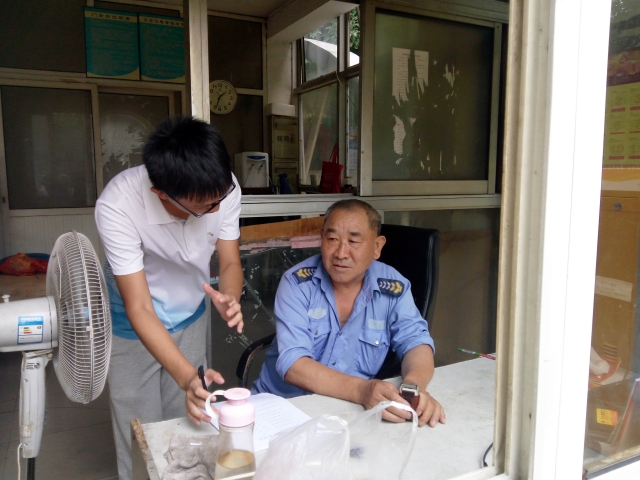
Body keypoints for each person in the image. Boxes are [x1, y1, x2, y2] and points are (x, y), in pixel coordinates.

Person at [95, 116, 244, 479]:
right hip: (132, 324)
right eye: (204, 207)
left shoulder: (222, 188)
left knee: (188, 420)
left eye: (219, 201)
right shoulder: (118, 205)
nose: (215, 209)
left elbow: (229, 261)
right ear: (161, 192)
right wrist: (187, 377)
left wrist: (229, 295)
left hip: (191, 312)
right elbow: (140, 307)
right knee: (140, 431)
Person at [253, 199, 446, 427]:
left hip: (347, 412)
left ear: (377, 247)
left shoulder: (393, 287)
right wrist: (362, 390)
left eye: (353, 241)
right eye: (332, 239)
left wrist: (412, 388)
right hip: (282, 407)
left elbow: (415, 342)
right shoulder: (297, 283)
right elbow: (293, 365)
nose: (341, 253)